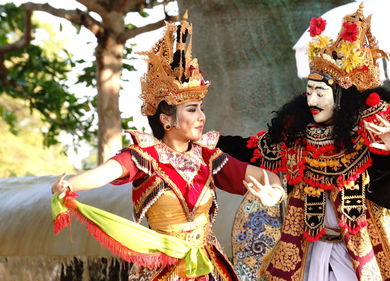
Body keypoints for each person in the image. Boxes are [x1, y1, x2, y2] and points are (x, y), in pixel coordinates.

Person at [218, 5, 390, 281]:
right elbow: (249, 149)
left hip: (364, 251)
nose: (311, 100)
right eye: (309, 91)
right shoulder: (295, 134)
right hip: (309, 250)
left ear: (341, 97)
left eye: (320, 92)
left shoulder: (368, 130)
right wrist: (205, 142)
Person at [50, 13, 284, 281]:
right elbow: (105, 173)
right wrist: (69, 185)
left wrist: (273, 195)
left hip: (208, 268)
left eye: (201, 109)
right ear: (166, 119)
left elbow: (269, 179)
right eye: (192, 110)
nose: (202, 117)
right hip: (161, 269)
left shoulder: (209, 156)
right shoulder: (144, 156)